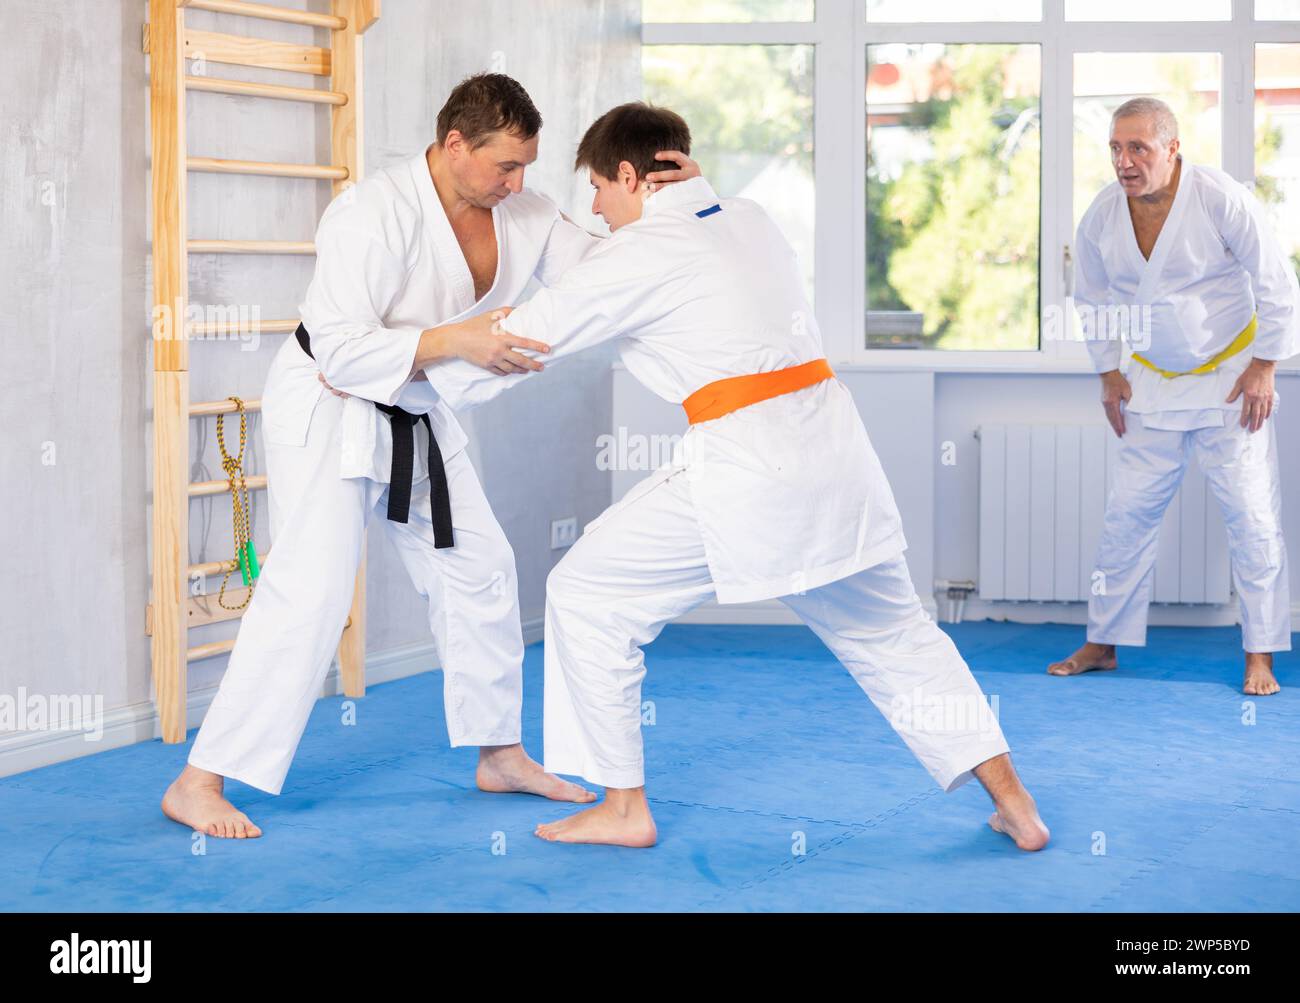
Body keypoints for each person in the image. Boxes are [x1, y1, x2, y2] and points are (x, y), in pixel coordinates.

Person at [416, 103, 1050, 851]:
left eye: (597, 187)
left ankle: (623, 806)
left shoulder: (643, 252)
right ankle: (1016, 804)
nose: (593, 206)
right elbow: (684, 238)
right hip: (838, 456)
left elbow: (524, 336)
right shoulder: (749, 216)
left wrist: (408, 361)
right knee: (901, 637)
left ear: (630, 176)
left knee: (585, 593)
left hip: (752, 467)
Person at [162, 74, 699, 838]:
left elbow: (609, 269)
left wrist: (682, 204)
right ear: (455, 144)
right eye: (506, 166)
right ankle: (199, 778)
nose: (519, 183)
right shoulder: (371, 213)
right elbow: (341, 353)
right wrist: (459, 340)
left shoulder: (524, 211)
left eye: (526, 167)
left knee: (481, 567)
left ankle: (500, 752)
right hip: (332, 404)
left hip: (415, 407)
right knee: (309, 591)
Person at [1050, 97, 1297, 696]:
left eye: (1138, 148)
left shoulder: (1221, 198)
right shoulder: (1104, 214)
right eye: (1115, 148)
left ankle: (1259, 652)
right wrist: (1108, 372)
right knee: (1126, 518)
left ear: (1172, 148)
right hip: (1151, 381)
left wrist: (1265, 365)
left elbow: (1276, 282)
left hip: (1232, 382)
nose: (1124, 161)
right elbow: (1091, 297)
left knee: (1252, 516)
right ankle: (1103, 641)